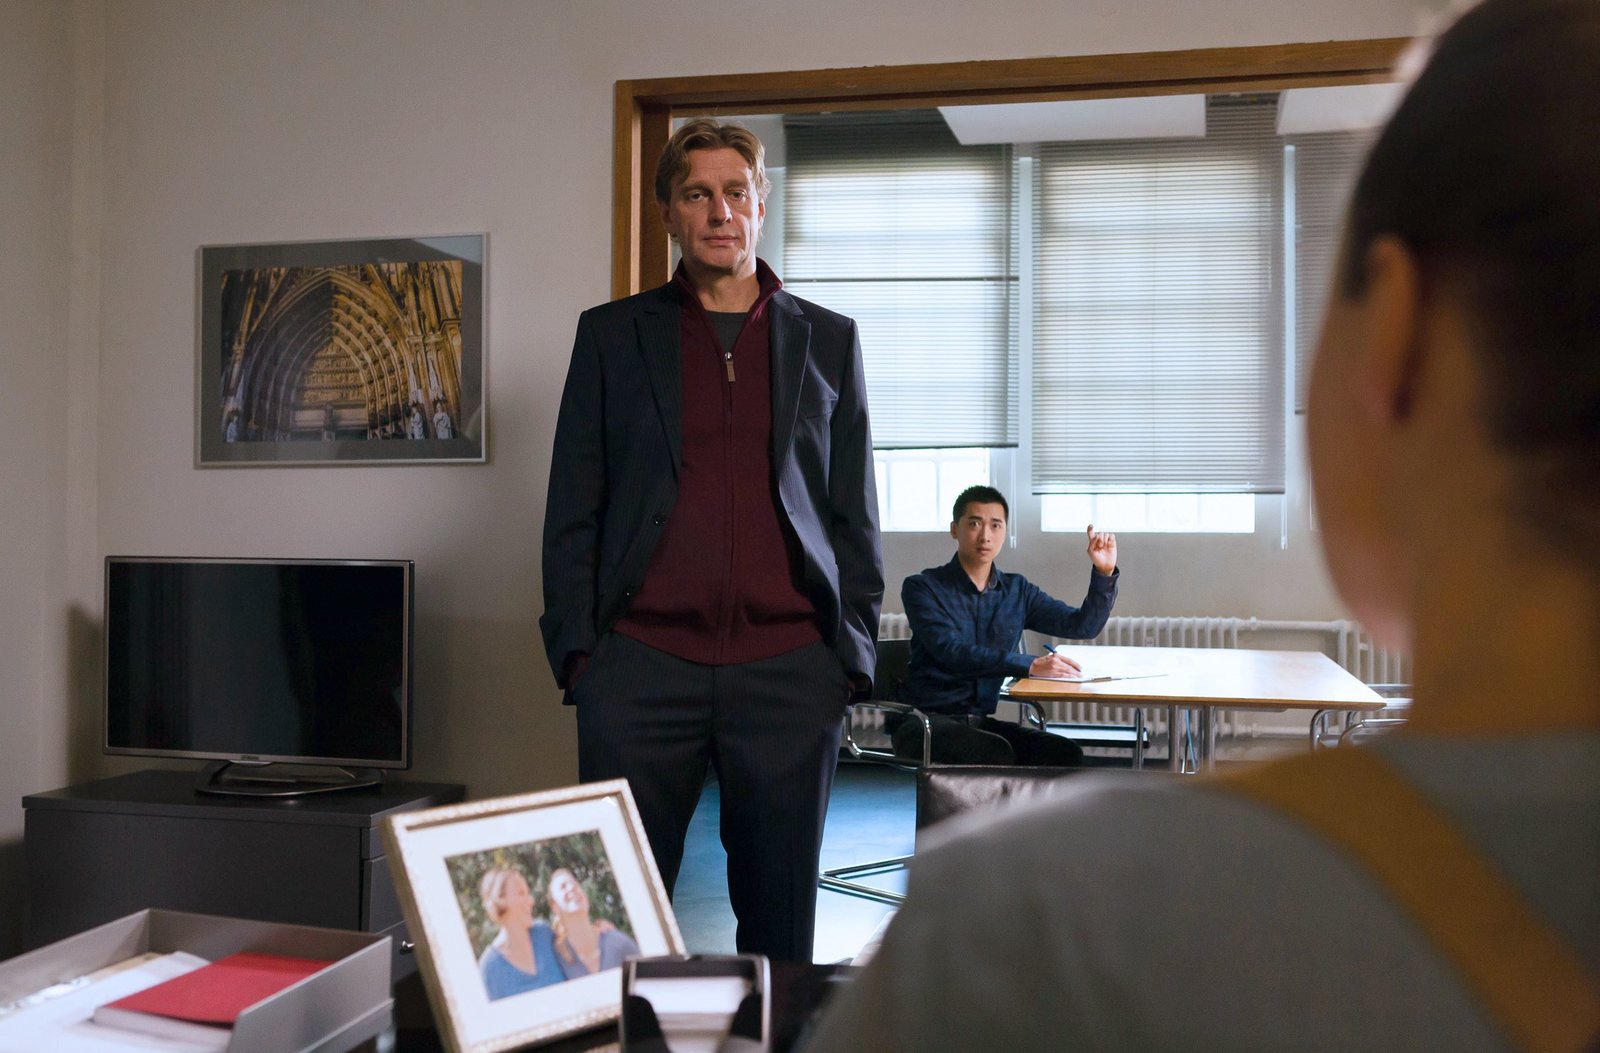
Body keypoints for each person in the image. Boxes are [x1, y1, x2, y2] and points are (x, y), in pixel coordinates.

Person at [806, 1, 1600, 1048]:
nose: (991, 535)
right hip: (952, 726)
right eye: (981, 522)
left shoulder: (1030, 935)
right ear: (961, 528)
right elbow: (973, 653)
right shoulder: (932, 593)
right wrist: (1028, 661)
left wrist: (1103, 578)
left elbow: (1078, 627)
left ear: (1395, 335)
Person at [540, 117, 883, 963]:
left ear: (761, 205)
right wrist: (582, 657)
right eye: (697, 194)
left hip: (788, 672)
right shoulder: (611, 336)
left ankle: (768, 1029)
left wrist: (846, 657)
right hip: (640, 669)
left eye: (736, 192)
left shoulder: (828, 339)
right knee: (608, 927)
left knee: (778, 932)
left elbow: (853, 512)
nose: (718, 211)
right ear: (669, 212)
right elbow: (574, 506)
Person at [894, 485, 1117, 766]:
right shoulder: (923, 587)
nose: (985, 536)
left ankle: (1019, 799)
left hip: (978, 723)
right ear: (954, 529)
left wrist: (1104, 572)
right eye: (974, 523)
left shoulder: (1017, 591)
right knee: (995, 753)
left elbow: (1083, 626)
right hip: (923, 722)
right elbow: (951, 652)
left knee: (1064, 754)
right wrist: (1030, 664)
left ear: (1005, 531)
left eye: (995, 525)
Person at [476, 866, 565, 1000]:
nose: (531, 901)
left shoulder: (544, 934)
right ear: (500, 899)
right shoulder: (489, 969)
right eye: (522, 893)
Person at [546, 866, 640, 978]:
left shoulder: (617, 943)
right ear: (554, 906)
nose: (571, 888)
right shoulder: (556, 958)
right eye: (563, 887)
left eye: (574, 884)